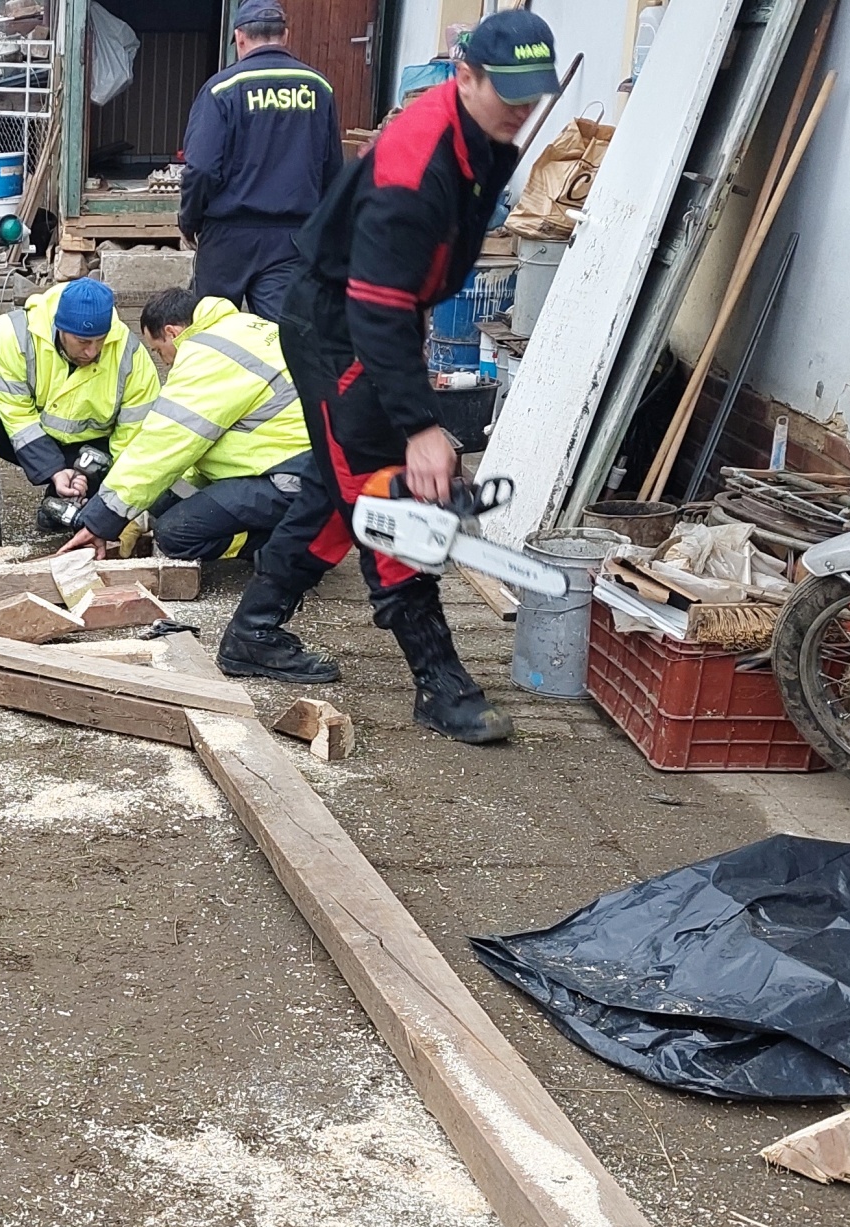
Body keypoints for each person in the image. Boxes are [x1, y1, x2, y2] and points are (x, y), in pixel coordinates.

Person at [217, 8, 557, 744]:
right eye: (509, 94)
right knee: (384, 495)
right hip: (339, 327)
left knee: (337, 487)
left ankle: (253, 630)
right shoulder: (415, 164)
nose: (523, 110)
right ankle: (440, 681)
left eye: (533, 96)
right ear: (465, 76)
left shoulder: (486, 135)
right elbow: (375, 307)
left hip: (376, 315)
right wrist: (421, 425)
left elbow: (406, 285)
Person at [68, 289, 308, 564]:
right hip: (314, 464)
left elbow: (163, 444)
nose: (165, 362)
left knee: (175, 534)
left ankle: (291, 543)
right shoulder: (243, 326)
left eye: (159, 351)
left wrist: (102, 519)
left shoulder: (206, 354)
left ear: (171, 333)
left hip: (292, 479)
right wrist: (141, 511)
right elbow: (199, 443)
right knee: (166, 505)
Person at [0, 277, 159, 562]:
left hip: (91, 451)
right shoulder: (12, 335)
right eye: (83, 341)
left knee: (98, 497)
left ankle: (62, 503)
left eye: (100, 340)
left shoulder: (130, 356)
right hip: (26, 437)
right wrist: (54, 469)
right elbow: (16, 416)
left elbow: (133, 438)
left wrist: (101, 489)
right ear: (60, 327)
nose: (92, 351)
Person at [179, 0, 340, 322]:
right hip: (292, 238)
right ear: (286, 35)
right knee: (282, 337)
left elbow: (201, 168)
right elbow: (333, 170)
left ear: (240, 38)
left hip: (227, 236)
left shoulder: (222, 88)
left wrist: (189, 220)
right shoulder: (318, 87)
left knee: (212, 333)